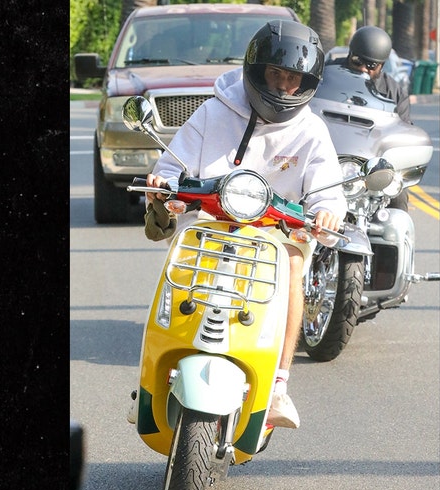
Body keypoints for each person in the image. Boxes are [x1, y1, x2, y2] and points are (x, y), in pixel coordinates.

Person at [142, 20, 347, 429]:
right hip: (209, 221)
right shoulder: (215, 110)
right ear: (256, 70)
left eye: (294, 78)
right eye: (276, 74)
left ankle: (277, 387)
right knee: (181, 252)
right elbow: (172, 165)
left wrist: (326, 210)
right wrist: (162, 184)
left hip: (276, 231)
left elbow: (328, 190)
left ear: (307, 82)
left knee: (291, 263)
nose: (284, 86)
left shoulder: (311, 130)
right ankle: (157, 372)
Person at [328, 25, 412, 211]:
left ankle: (396, 238)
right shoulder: (328, 76)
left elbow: (404, 131)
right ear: (350, 54)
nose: (363, 69)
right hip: (329, 154)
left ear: (381, 65)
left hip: (372, 162)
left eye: (371, 65)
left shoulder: (394, 90)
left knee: (399, 194)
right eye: (357, 61)